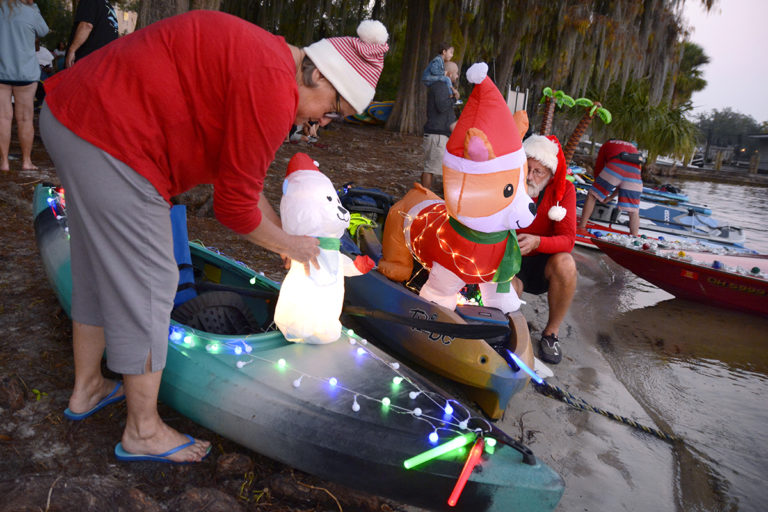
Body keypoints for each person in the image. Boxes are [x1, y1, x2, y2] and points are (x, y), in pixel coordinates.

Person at [40, 11, 389, 464]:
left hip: (74, 115)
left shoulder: (266, 61)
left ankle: (88, 388)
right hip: (114, 138)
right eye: (334, 109)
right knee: (152, 277)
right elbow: (233, 209)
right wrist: (292, 246)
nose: (324, 121)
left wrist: (282, 238)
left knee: (95, 262)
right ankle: (143, 431)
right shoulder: (272, 87)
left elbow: (242, 187)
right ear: (319, 74)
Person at [512, 135, 577, 365]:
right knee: (511, 291)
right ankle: (509, 326)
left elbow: (568, 240)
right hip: (511, 256)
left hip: (543, 261)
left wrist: (539, 242)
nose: (530, 177)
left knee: (566, 264)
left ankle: (551, 333)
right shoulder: (510, 182)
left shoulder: (565, 190)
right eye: (527, 168)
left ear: (550, 174)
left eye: (538, 172)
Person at [0, 0, 49, 172]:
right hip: (25, 73)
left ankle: (4, 162)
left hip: (1, 73)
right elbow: (44, 30)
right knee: (25, 118)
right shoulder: (30, 11)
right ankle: (26, 161)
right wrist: (33, 7)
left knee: (3, 119)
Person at [577, 139, 643, 236]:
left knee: (592, 195)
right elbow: (623, 181)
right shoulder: (633, 147)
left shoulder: (607, 144)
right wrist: (610, 197)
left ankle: (581, 227)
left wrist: (599, 190)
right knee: (633, 210)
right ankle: (634, 237)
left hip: (615, 166)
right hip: (635, 174)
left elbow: (599, 167)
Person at [421, 60, 459, 191]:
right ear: (448, 73)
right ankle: (424, 197)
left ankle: (427, 195)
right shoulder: (440, 86)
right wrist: (454, 98)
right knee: (430, 168)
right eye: (456, 73)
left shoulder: (445, 87)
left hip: (441, 135)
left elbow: (446, 114)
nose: (457, 76)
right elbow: (442, 106)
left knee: (433, 167)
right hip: (436, 136)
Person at [65, 0, 118, 68]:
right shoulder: (108, 7)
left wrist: (72, 49)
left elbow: (87, 25)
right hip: (104, 64)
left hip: (87, 63)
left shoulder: (89, 1)